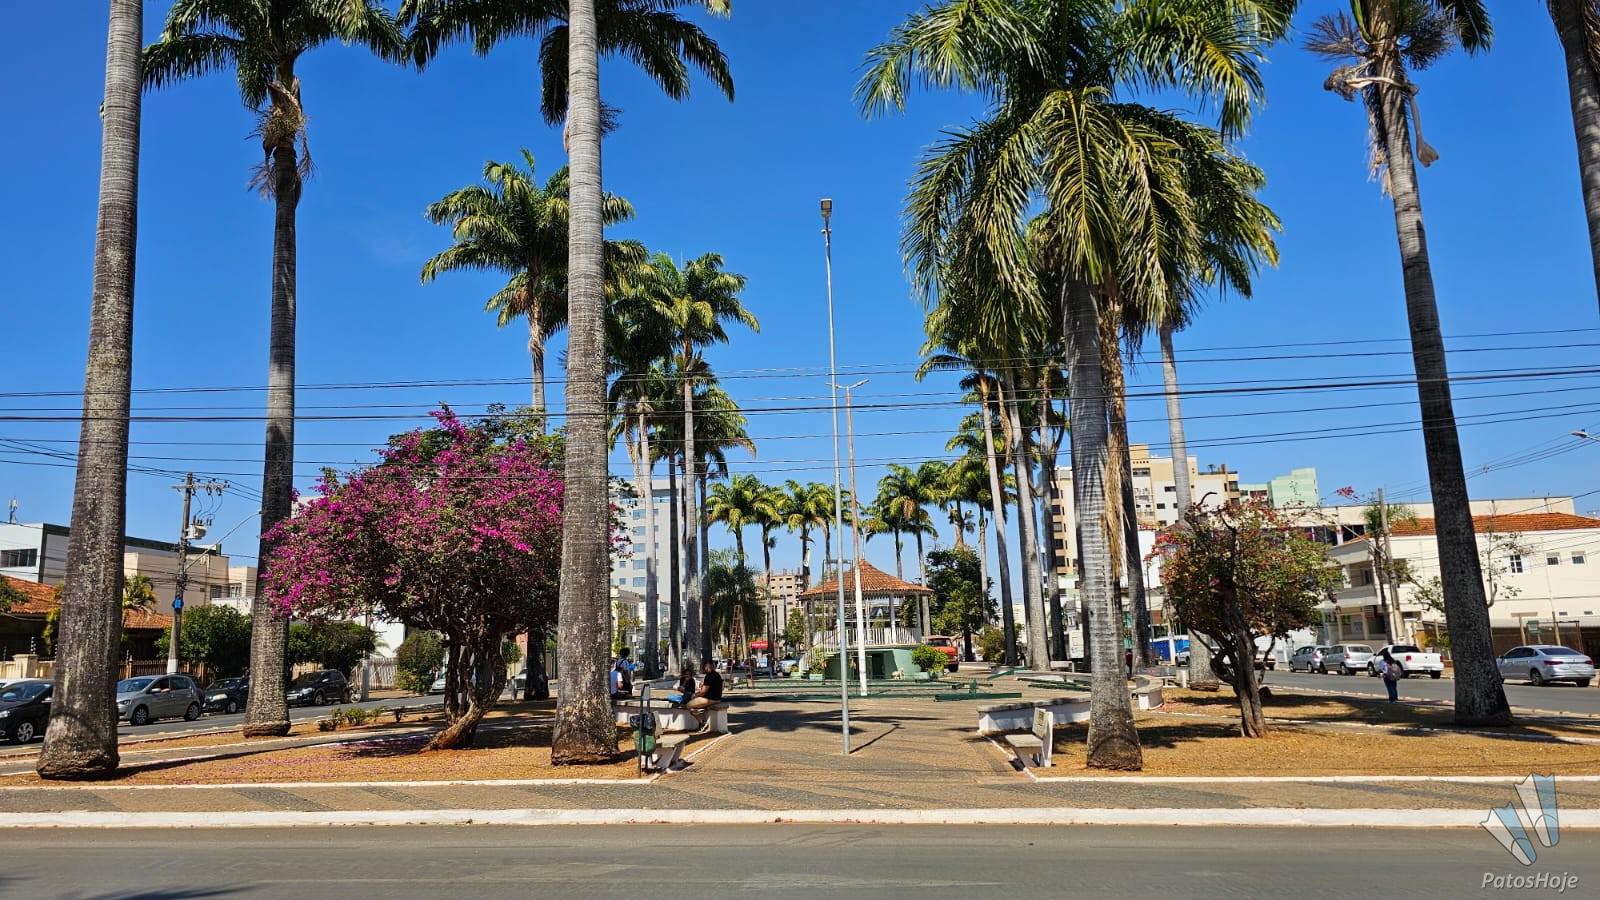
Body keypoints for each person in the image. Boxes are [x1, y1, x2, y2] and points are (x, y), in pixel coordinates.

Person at [686, 659, 724, 730]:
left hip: (710, 699)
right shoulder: (717, 675)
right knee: (695, 703)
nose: (704, 668)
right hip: (718, 698)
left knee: (688, 705)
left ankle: (702, 722)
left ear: (707, 666)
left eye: (704, 666)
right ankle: (699, 711)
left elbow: (703, 692)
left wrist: (695, 695)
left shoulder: (709, 676)